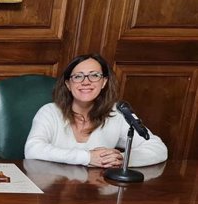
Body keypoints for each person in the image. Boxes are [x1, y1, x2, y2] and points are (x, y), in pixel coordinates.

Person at [24, 53, 167, 168]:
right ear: (68, 84)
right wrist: (87, 157)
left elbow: (158, 148)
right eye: (78, 76)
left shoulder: (116, 114)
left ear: (104, 82)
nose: (86, 82)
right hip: (54, 192)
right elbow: (33, 149)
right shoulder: (50, 112)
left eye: (94, 75)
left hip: (98, 192)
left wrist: (121, 159)